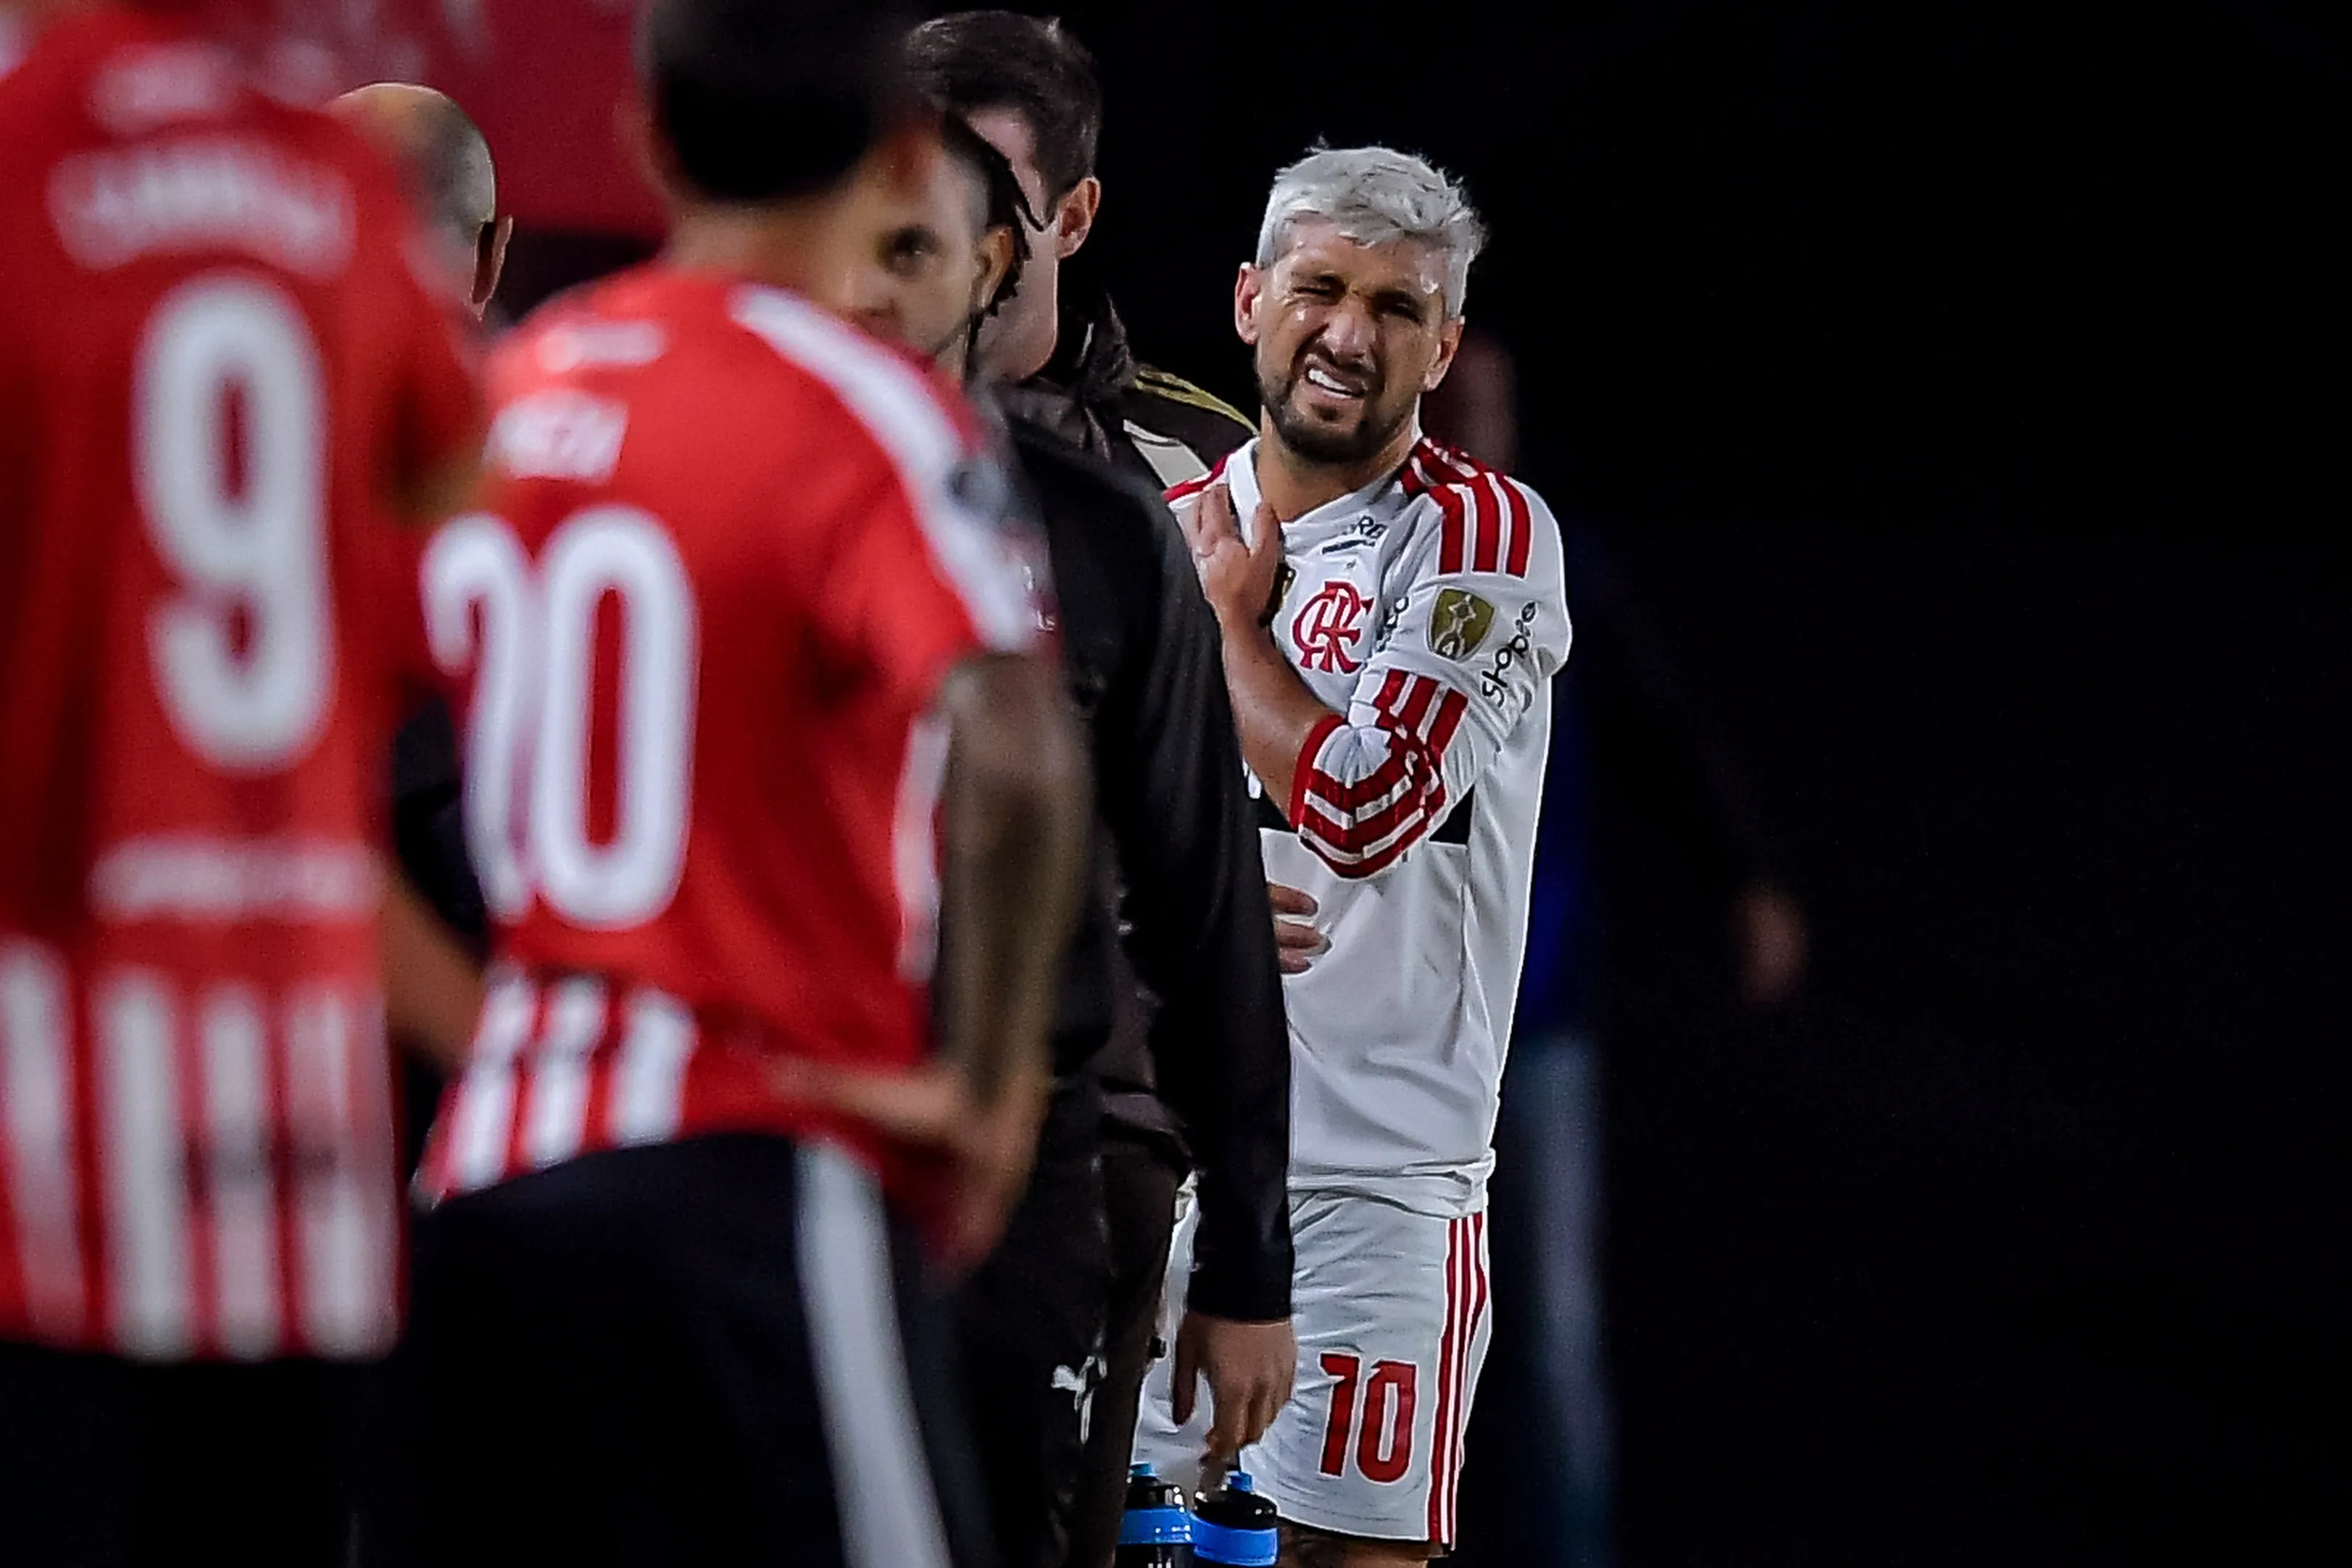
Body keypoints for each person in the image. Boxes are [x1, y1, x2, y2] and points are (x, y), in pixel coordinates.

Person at [391, 4, 1092, 1566]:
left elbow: (300, 772)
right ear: (898, 155)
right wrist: (989, 1085)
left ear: (645, 148)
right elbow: (1018, 748)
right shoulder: (866, 409)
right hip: (754, 1160)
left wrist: (502, 1018)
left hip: (491, 1174)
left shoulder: (507, 399)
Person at [0, 1, 483, 1562]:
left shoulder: (22, 165)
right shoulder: (331, 189)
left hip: (45, 1165)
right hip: (297, 1158)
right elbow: (460, 563)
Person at [836, 109, 1296, 1568]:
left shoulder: (1104, 531)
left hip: (1037, 1148)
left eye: (912, 248)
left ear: (990, 264)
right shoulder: (704, 485)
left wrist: (1245, 1259)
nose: (872, 288)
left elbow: (1204, 904)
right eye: (848, 243)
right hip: (774, 1130)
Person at [1134, 147, 1571, 1566]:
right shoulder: (1151, 523)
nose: (1348, 330)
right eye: (1319, 287)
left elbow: (1370, 806)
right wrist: (1165, 909)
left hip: (1374, 1189)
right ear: (1251, 298)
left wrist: (1225, 633)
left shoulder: (1480, 535)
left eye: (1396, 306)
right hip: (1157, 1155)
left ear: (1441, 346)